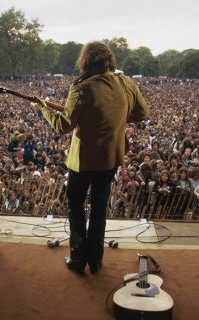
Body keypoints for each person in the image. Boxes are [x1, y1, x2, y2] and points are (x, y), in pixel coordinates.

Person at [32, 41, 149, 274]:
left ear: (85, 62)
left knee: (75, 204)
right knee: (98, 207)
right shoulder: (126, 83)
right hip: (111, 158)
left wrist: (43, 108)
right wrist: (117, 121)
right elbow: (142, 112)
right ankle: (95, 261)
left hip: (83, 161)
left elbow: (65, 125)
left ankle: (78, 258)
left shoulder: (82, 88)